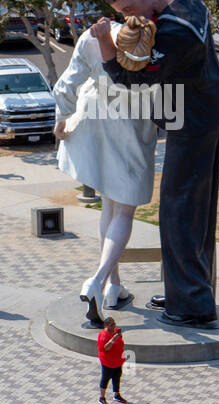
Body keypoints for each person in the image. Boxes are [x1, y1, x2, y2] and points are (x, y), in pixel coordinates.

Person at [94, 0, 219, 327]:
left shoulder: (174, 32)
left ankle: (192, 308)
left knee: (179, 214)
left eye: (128, 11)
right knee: (198, 212)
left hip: (192, 121)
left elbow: (129, 79)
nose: (128, 20)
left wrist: (105, 40)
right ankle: (188, 290)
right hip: (207, 107)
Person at [51, 19, 158, 323]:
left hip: (93, 119)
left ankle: (114, 285)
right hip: (132, 125)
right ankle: (98, 280)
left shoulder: (92, 35)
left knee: (109, 206)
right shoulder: (150, 37)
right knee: (123, 212)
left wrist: (61, 120)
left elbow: (67, 84)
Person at [97, 316, 128, 404]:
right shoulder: (103, 336)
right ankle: (102, 397)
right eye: (112, 324)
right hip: (108, 362)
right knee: (105, 379)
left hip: (118, 360)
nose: (114, 325)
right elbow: (105, 348)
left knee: (117, 377)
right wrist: (113, 339)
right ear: (106, 326)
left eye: (114, 323)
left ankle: (117, 394)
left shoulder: (116, 331)